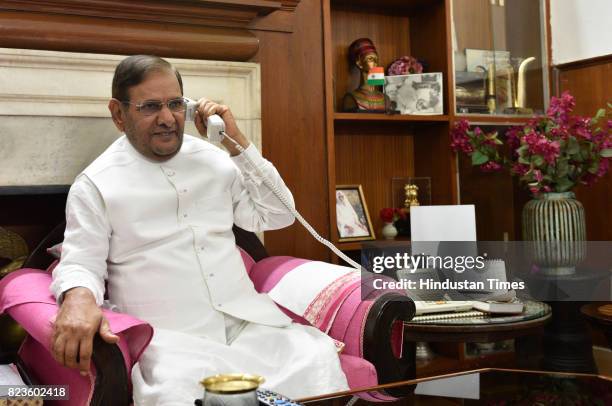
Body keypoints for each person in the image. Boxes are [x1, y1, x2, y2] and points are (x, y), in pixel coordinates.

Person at [49, 55, 349, 405]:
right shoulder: (95, 184)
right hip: (170, 339)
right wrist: (79, 297)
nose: (167, 119)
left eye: (175, 104)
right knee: (178, 391)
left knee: (315, 360)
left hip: (245, 323)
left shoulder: (216, 159)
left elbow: (278, 215)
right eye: (150, 107)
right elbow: (81, 261)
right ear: (118, 114)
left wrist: (236, 141)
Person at [342, 38, 386, 112]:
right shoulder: (351, 98)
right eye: (370, 59)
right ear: (359, 63)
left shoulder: (385, 99)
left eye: (376, 59)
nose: (375, 63)